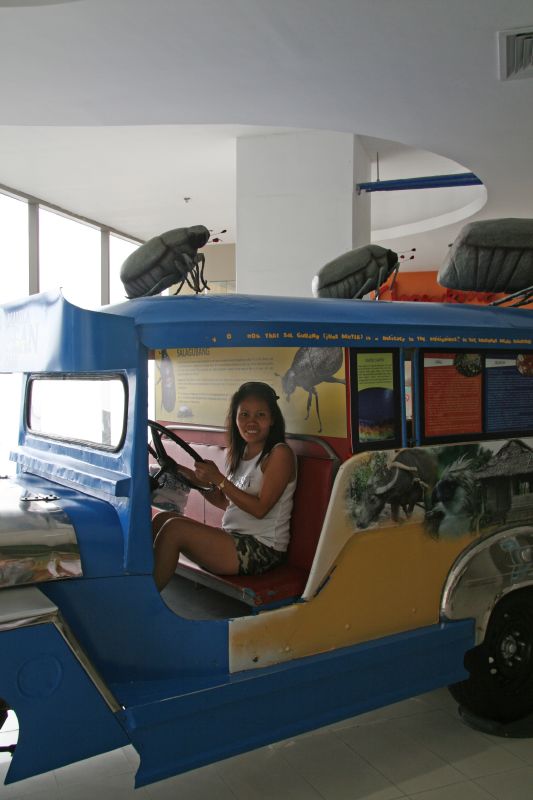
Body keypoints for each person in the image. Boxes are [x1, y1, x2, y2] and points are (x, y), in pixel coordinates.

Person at [153, 381, 297, 590]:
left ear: (272, 419)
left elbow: (260, 509)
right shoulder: (243, 453)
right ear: (235, 418)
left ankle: (147, 599)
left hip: (262, 549)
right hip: (233, 538)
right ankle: (142, 583)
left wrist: (219, 479)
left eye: (260, 415)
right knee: (162, 519)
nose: (251, 422)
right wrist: (189, 475)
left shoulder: (280, 454)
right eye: (244, 415)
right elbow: (224, 502)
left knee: (174, 529)